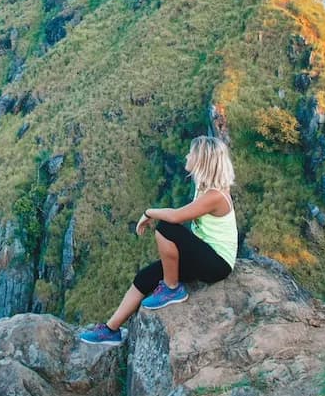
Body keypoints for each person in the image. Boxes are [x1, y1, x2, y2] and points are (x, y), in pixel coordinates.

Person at [80, 135, 238, 345]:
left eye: (191, 153)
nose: (187, 155)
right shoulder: (204, 188)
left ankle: (171, 289)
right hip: (203, 255)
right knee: (145, 277)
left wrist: (148, 213)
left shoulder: (215, 195)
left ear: (202, 160)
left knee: (166, 228)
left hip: (217, 263)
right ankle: (110, 330)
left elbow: (175, 217)